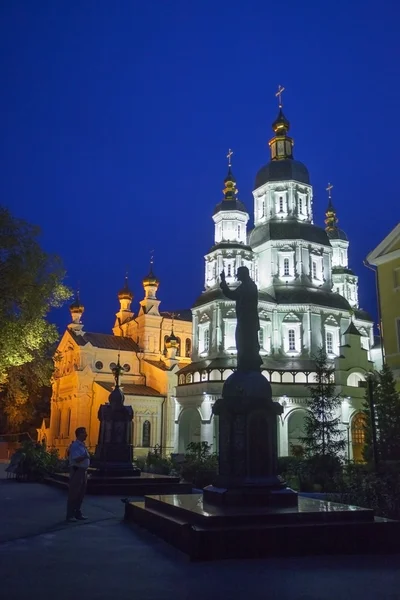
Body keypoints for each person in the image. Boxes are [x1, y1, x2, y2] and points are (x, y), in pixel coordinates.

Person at [220, 266, 262, 372]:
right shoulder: (249, 285)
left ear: (243, 274)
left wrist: (223, 282)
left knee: (244, 342)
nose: (237, 276)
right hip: (247, 320)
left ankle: (247, 363)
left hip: (246, 320)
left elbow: (232, 295)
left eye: (238, 274)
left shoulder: (247, 287)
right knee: (247, 342)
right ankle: (250, 361)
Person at [66, 427, 90, 522]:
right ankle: (70, 514)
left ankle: (77, 512)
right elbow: (76, 459)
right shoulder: (75, 445)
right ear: (79, 434)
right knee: (74, 493)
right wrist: (85, 456)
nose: (86, 434)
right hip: (77, 471)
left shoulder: (82, 445)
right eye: (84, 433)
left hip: (83, 471)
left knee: (81, 494)